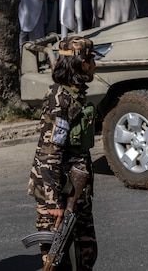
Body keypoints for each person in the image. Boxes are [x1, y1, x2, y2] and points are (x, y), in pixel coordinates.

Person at [28, 36, 99, 270]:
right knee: (56, 259)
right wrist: (54, 202)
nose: (95, 65)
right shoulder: (60, 100)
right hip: (58, 193)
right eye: (91, 60)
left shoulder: (75, 94)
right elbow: (49, 154)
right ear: (79, 63)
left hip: (75, 191)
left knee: (87, 253)